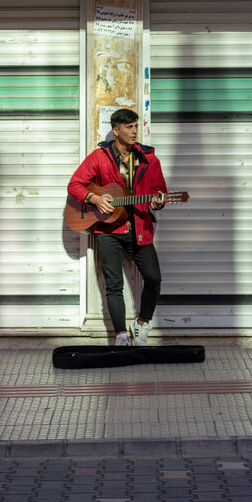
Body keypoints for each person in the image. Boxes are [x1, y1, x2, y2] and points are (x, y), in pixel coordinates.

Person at [68, 108, 166, 346]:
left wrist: (158, 200)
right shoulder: (100, 157)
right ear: (116, 130)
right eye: (129, 127)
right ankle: (120, 335)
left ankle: (142, 324)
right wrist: (95, 199)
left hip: (139, 228)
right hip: (108, 230)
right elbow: (75, 184)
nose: (134, 131)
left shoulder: (149, 159)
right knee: (114, 285)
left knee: (153, 278)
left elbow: (158, 190)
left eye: (136, 127)